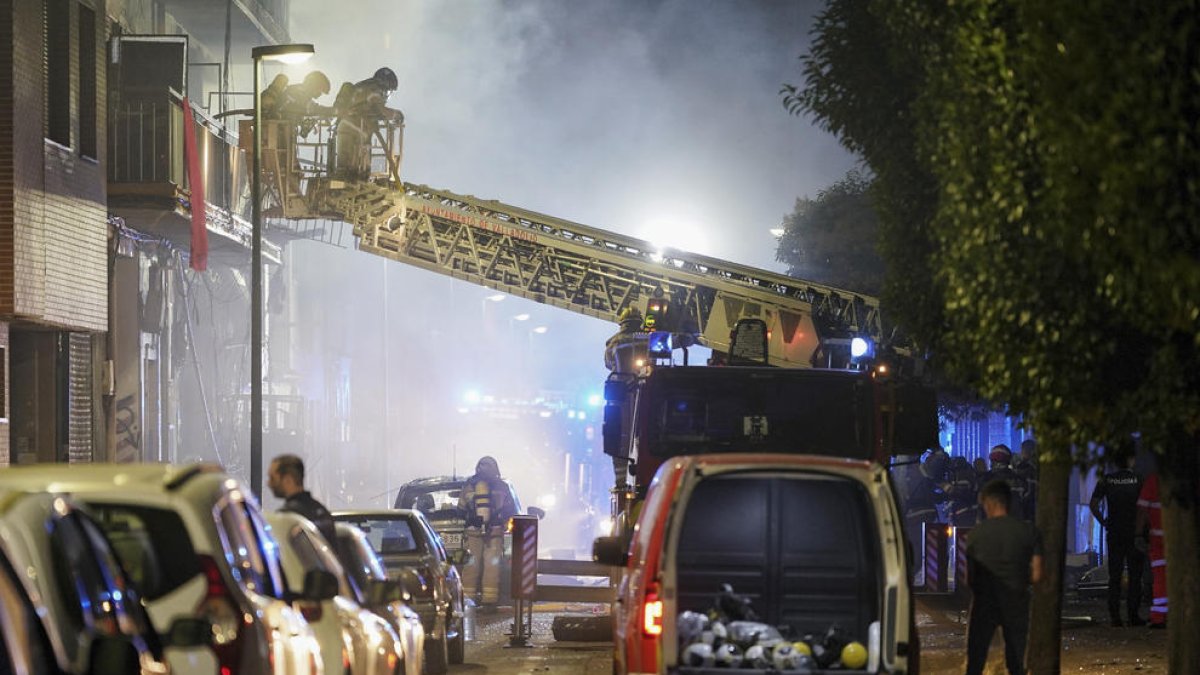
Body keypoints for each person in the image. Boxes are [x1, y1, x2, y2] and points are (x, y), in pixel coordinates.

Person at [966, 480, 1044, 675]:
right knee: (1016, 663)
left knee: (975, 662)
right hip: (1017, 602)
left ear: (989, 504)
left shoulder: (975, 535)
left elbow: (970, 578)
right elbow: (1037, 573)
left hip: (984, 603)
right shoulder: (1028, 531)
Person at [1089, 455, 1145, 626]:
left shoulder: (1107, 480)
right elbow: (1144, 505)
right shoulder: (1138, 479)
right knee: (1135, 576)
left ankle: (1115, 617)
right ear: (1131, 460)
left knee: (1115, 575)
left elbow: (1093, 504)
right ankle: (1133, 615)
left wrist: (1103, 521)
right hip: (1134, 532)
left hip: (1114, 532)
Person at [458, 456, 516, 606]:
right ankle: (489, 601)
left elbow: (461, 508)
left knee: (471, 565)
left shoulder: (469, 485)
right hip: (494, 533)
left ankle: (467, 601)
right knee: (492, 566)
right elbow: (510, 510)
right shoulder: (502, 486)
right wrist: (502, 523)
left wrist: (469, 519)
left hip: (473, 532)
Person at [333, 67, 404, 179]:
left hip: (350, 129)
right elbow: (380, 109)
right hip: (354, 130)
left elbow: (369, 110)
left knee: (349, 171)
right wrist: (396, 114)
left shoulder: (364, 86)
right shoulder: (375, 89)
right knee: (353, 172)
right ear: (386, 85)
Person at [268, 454, 337, 546]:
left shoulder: (286, 518)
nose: (269, 483)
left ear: (288, 480)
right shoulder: (322, 512)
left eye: (272, 478)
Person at [1136, 472, 1166, 629]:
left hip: (1158, 540)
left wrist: (1138, 534)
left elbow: (1142, 511)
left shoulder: (1154, 480)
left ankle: (1159, 617)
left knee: (1160, 579)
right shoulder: (1189, 478)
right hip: (1184, 541)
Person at [982, 444, 1032, 519]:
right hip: (1014, 521)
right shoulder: (1018, 479)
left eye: (998, 457)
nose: (996, 462)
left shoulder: (986, 478)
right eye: (995, 458)